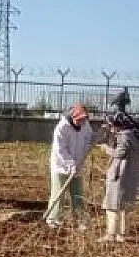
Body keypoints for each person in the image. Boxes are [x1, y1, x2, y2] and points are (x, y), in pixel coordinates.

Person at [47, 104, 96, 229]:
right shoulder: (62, 128)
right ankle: (53, 219)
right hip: (60, 165)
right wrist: (70, 165)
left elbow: (88, 140)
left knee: (78, 194)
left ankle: (80, 220)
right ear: (72, 117)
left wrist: (96, 137)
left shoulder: (85, 126)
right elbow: (60, 150)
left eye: (84, 119)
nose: (82, 121)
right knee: (58, 193)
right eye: (79, 119)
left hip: (78, 165)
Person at [100, 112, 139, 242]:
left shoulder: (124, 137)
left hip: (119, 175)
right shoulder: (134, 135)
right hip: (130, 175)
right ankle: (121, 234)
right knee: (124, 206)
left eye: (112, 125)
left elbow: (119, 153)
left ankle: (111, 234)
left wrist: (106, 148)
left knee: (112, 205)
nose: (111, 128)